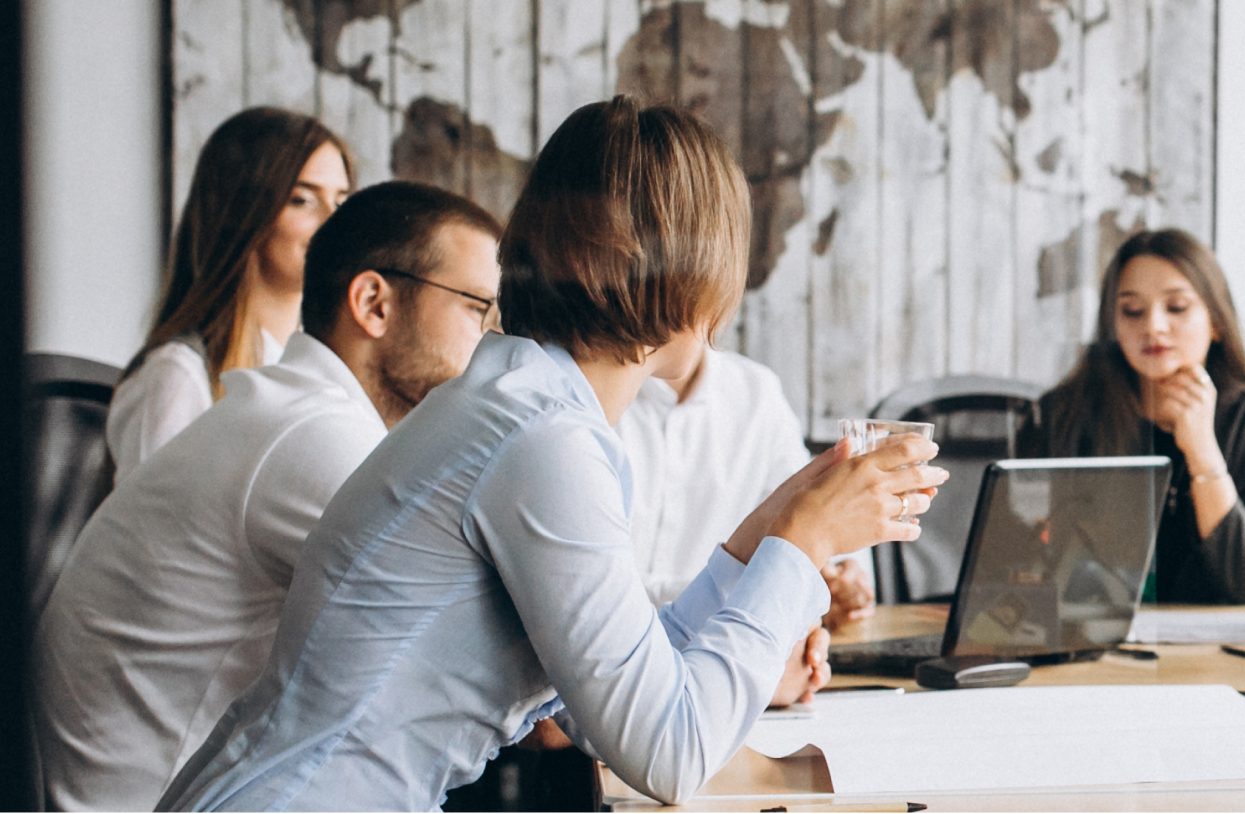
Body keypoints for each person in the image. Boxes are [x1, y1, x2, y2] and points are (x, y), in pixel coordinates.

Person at [156, 96, 949, 810]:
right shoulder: (542, 442)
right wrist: (801, 546)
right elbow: (666, 753)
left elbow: (617, 696)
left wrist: (769, 528)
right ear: (696, 276)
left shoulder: (526, 406)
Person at [34, 181, 499, 811]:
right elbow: (478, 662)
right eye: (478, 309)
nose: (494, 345)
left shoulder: (292, 411)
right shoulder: (317, 441)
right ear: (373, 303)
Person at [1018, 229, 1245, 604]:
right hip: (1091, 637)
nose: (1153, 326)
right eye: (1132, 311)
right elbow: (1026, 564)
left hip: (1216, 648)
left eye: (1176, 307)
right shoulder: (1063, 413)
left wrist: (1202, 451)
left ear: (1216, 322)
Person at [110, 107, 352, 474]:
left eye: (341, 201)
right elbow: (153, 530)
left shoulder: (323, 365)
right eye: (302, 200)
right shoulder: (177, 377)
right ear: (243, 213)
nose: (334, 224)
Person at [617, 347, 861, 708]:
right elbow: (604, 601)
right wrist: (759, 626)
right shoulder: (597, 394)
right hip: (631, 683)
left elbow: (806, 520)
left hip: (720, 679)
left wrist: (829, 585)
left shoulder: (756, 391)